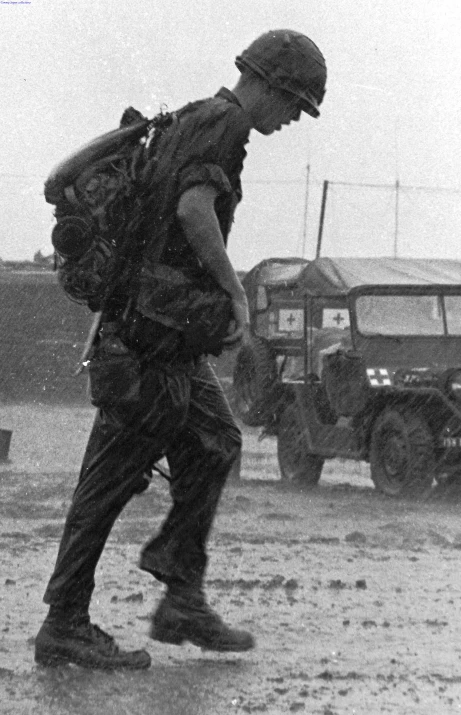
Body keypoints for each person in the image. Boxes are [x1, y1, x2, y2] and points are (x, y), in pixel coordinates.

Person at [35, 29, 327, 670]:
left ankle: (182, 598)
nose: (289, 120)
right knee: (107, 482)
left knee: (217, 442)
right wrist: (236, 291)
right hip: (144, 342)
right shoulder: (222, 123)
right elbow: (196, 209)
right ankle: (64, 624)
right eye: (292, 105)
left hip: (166, 341)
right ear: (269, 84)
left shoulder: (200, 121)